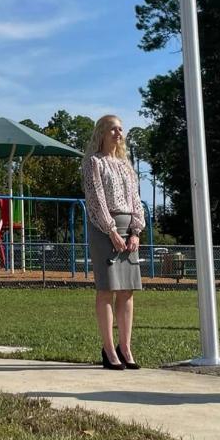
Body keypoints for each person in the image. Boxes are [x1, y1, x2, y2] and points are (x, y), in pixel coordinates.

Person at [81, 115, 145, 370]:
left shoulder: (126, 166)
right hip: (103, 228)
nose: (119, 133)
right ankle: (108, 349)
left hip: (128, 228)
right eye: (113, 129)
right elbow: (95, 199)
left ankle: (125, 346)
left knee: (127, 291)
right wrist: (112, 232)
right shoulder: (93, 163)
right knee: (107, 289)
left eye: (121, 129)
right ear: (102, 133)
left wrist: (135, 231)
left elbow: (136, 200)